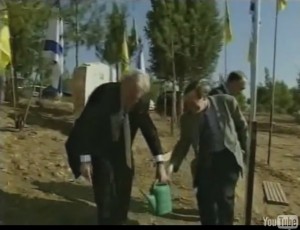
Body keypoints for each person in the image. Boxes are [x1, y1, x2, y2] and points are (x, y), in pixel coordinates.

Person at [65, 70, 169, 225]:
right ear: (124, 84)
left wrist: (160, 163)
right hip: (100, 149)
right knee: (106, 196)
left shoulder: (139, 100)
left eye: (137, 97)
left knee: (123, 193)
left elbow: (149, 130)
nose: (133, 101)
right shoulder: (104, 94)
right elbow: (86, 126)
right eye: (131, 96)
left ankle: (120, 219)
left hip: (123, 152)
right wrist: (85, 159)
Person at [168, 80, 248, 225]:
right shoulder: (187, 119)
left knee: (224, 197)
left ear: (204, 97)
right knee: (204, 199)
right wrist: (172, 164)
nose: (190, 108)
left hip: (227, 157)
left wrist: (245, 152)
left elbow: (242, 127)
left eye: (193, 104)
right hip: (205, 161)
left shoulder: (226, 102)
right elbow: (184, 143)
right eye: (187, 104)